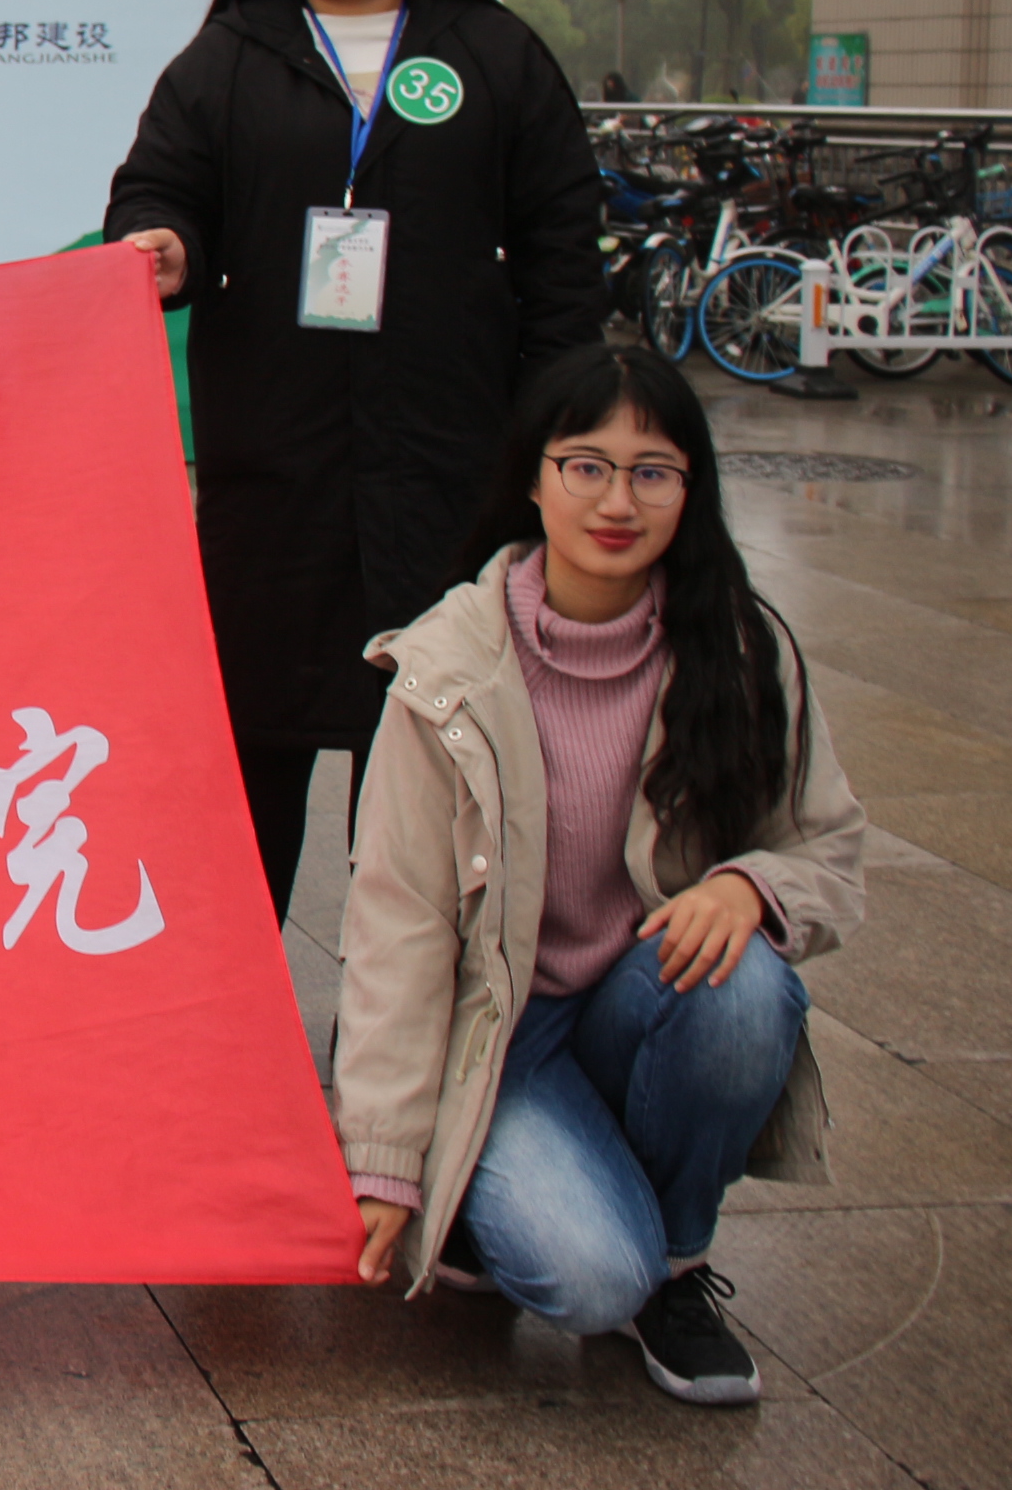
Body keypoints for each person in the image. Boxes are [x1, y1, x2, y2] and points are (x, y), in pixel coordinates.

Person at [338, 341, 862, 1405]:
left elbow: (829, 845)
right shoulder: (447, 669)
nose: (618, 501)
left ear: (690, 490)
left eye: (652, 472)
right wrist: (385, 1160)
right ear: (533, 478)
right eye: (586, 465)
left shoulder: (739, 650)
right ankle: (523, 1203)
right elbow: (400, 920)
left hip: (646, 1002)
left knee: (749, 986)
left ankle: (676, 1267)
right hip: (505, 1037)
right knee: (585, 1279)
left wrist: (750, 887)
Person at [106, 0, 604, 917]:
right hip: (276, 476)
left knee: (425, 761)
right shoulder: (226, 62)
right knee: (251, 760)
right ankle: (240, 1002)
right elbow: (157, 190)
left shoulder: (495, 54)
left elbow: (565, 262)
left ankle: (408, 1009)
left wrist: (555, 444)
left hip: (451, 470)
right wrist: (164, 242)